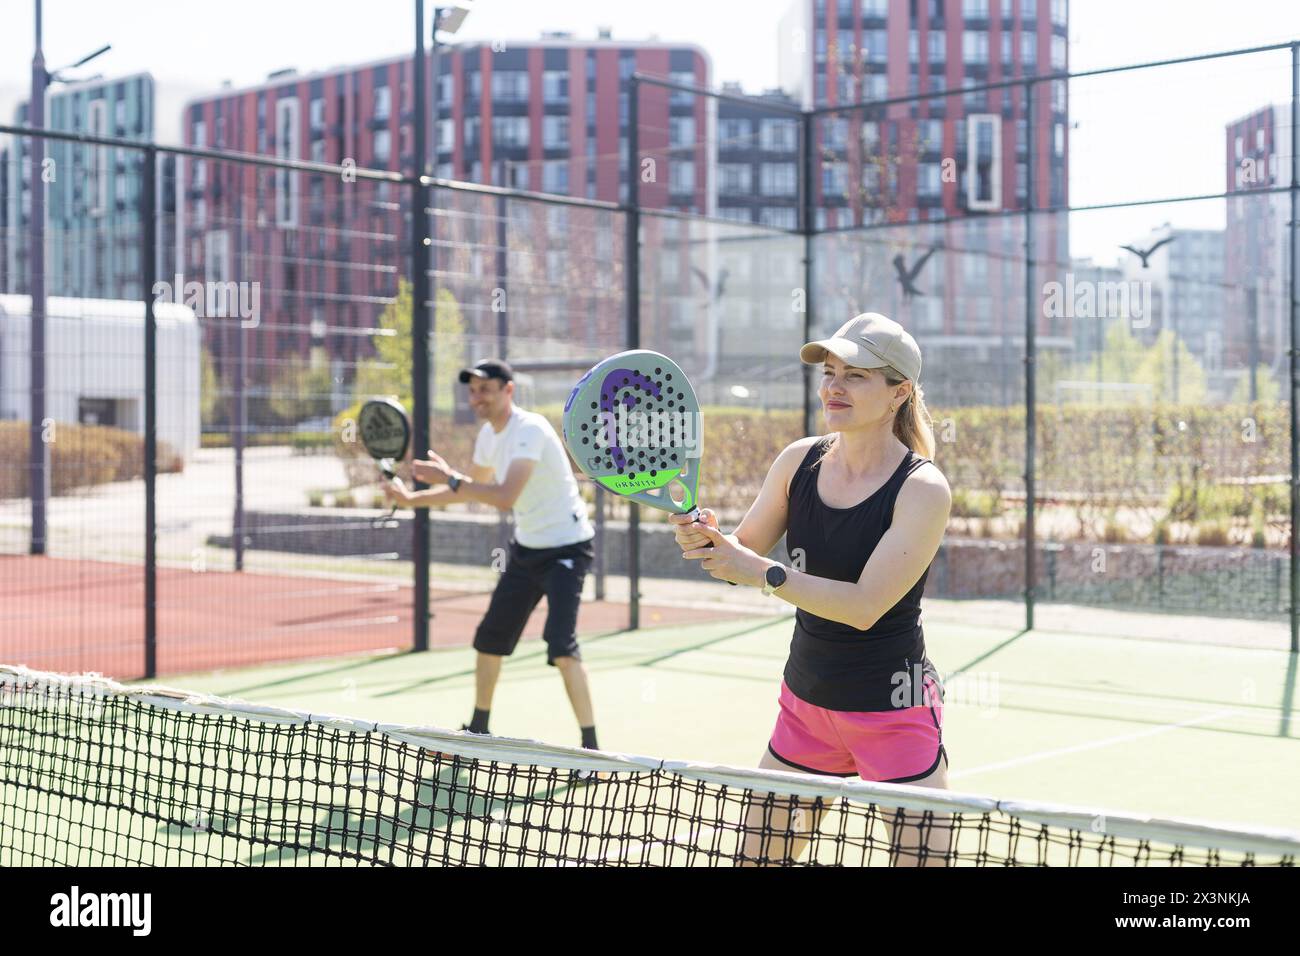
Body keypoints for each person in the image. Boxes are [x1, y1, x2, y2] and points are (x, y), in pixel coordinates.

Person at [669, 313, 953, 866]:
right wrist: (705, 539)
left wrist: (763, 573)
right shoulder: (797, 461)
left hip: (893, 710)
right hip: (805, 707)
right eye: (829, 372)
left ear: (900, 392)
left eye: (856, 375)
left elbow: (865, 607)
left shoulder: (922, 488)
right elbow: (737, 555)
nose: (833, 387)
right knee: (757, 858)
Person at [385, 358, 601, 751]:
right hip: (527, 549)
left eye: (485, 389)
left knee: (561, 647)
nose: (477, 397)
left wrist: (451, 478)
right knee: (489, 640)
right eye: (472, 390)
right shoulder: (488, 436)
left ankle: (591, 748)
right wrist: (412, 498)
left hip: (568, 549)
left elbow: (503, 496)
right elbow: (469, 488)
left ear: (508, 390)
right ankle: (478, 729)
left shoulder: (530, 429)